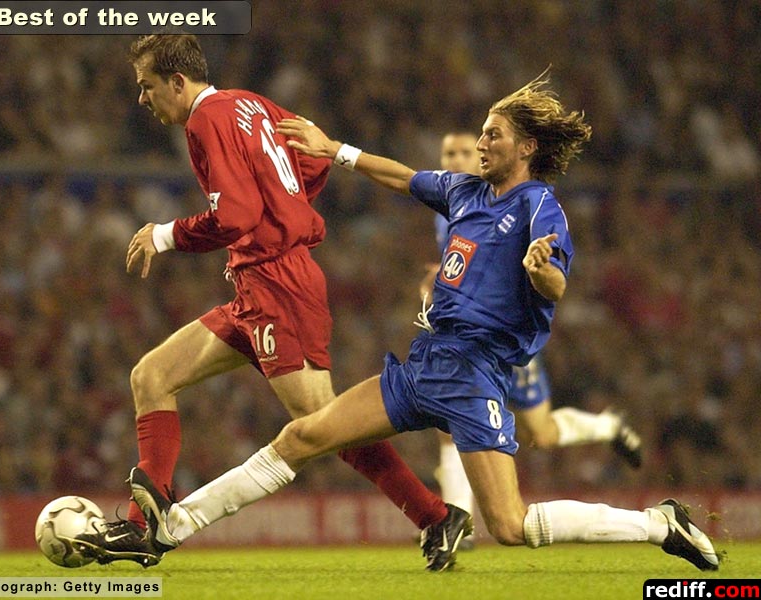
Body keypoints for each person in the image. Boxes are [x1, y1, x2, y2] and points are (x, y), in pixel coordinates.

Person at [127, 74, 719, 573]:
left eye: (493, 134)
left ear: (527, 147)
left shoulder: (538, 205)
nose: (480, 143)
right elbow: (402, 177)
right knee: (302, 437)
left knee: (509, 526)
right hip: (425, 363)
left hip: (476, 375)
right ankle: (170, 528)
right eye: (482, 132)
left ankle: (657, 524)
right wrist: (336, 149)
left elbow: (556, 283)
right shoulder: (466, 192)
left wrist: (541, 270)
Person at [75, 33, 464, 570]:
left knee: (322, 424)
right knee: (152, 376)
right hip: (257, 283)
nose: (142, 98)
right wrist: (286, 208)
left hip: (278, 283)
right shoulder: (250, 104)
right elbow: (313, 162)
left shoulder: (204, 121)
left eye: (147, 86)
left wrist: (165, 235)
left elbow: (234, 216)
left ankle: (434, 515)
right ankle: (145, 524)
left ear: (177, 82)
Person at [428, 133, 642, 527]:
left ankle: (607, 425)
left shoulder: (519, 202)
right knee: (448, 416)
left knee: (541, 434)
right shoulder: (450, 209)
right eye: (448, 153)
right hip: (470, 342)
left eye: (464, 152)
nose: (456, 159)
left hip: (505, 340)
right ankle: (459, 521)